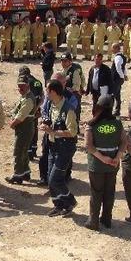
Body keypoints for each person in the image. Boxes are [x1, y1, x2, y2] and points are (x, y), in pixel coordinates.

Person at [84, 95, 127, 229]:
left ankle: (93, 221)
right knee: (109, 192)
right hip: (113, 165)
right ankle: (107, 219)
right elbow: (124, 142)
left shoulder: (91, 125)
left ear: (98, 107)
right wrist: (116, 158)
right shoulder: (118, 123)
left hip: (97, 166)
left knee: (96, 193)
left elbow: (89, 146)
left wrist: (103, 159)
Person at [41, 79, 78, 216]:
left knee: (54, 179)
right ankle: (59, 205)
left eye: (47, 90)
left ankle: (70, 202)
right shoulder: (51, 104)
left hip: (65, 149)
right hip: (53, 146)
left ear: (53, 92)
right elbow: (51, 121)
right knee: (51, 180)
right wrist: (46, 125)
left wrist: (53, 132)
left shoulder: (68, 110)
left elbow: (73, 132)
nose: (46, 93)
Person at [5, 76, 36, 184]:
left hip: (25, 129)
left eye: (22, 85)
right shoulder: (25, 96)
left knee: (18, 152)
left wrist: (12, 124)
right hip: (24, 129)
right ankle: (25, 172)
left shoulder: (28, 99)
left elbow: (21, 116)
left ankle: (17, 175)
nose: (20, 87)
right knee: (24, 151)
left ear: (28, 85)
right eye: (19, 85)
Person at [60, 52, 85, 124]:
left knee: (74, 113)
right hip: (66, 95)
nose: (63, 63)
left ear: (70, 61)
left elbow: (77, 85)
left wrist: (69, 89)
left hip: (73, 95)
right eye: (62, 61)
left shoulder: (74, 71)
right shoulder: (63, 70)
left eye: (65, 61)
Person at [110, 43, 127, 117]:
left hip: (116, 79)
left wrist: (122, 76)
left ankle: (112, 111)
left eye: (113, 48)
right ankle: (117, 110)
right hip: (118, 78)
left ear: (116, 49)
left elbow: (118, 68)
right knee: (117, 95)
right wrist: (124, 75)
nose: (111, 50)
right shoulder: (121, 56)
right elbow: (123, 67)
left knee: (113, 95)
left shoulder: (118, 57)